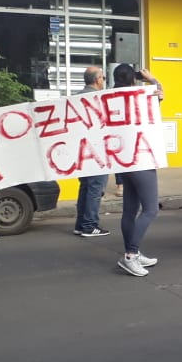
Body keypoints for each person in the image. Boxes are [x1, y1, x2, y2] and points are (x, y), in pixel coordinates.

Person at [112, 63, 161, 276]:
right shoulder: (141, 96)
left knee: (130, 210)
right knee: (150, 209)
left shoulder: (110, 99)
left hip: (123, 161)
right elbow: (160, 93)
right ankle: (131, 255)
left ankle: (133, 251)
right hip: (141, 158)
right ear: (133, 79)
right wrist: (151, 79)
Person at [73, 66, 110, 238]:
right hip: (97, 151)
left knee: (85, 187)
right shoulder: (100, 99)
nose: (104, 80)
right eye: (103, 77)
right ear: (97, 80)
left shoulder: (75, 98)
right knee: (95, 189)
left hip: (82, 152)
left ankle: (80, 224)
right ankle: (89, 225)